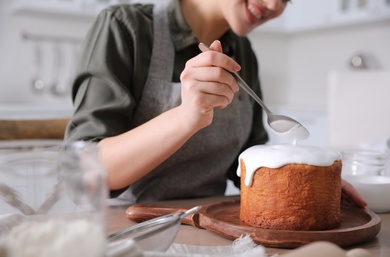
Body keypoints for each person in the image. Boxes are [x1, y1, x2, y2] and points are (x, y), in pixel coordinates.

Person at [64, 0, 367, 208]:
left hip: (209, 226)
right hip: (126, 235)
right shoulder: (126, 28)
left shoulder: (243, 54)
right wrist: (186, 117)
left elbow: (247, 164)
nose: (275, 5)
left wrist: (308, 181)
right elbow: (85, 174)